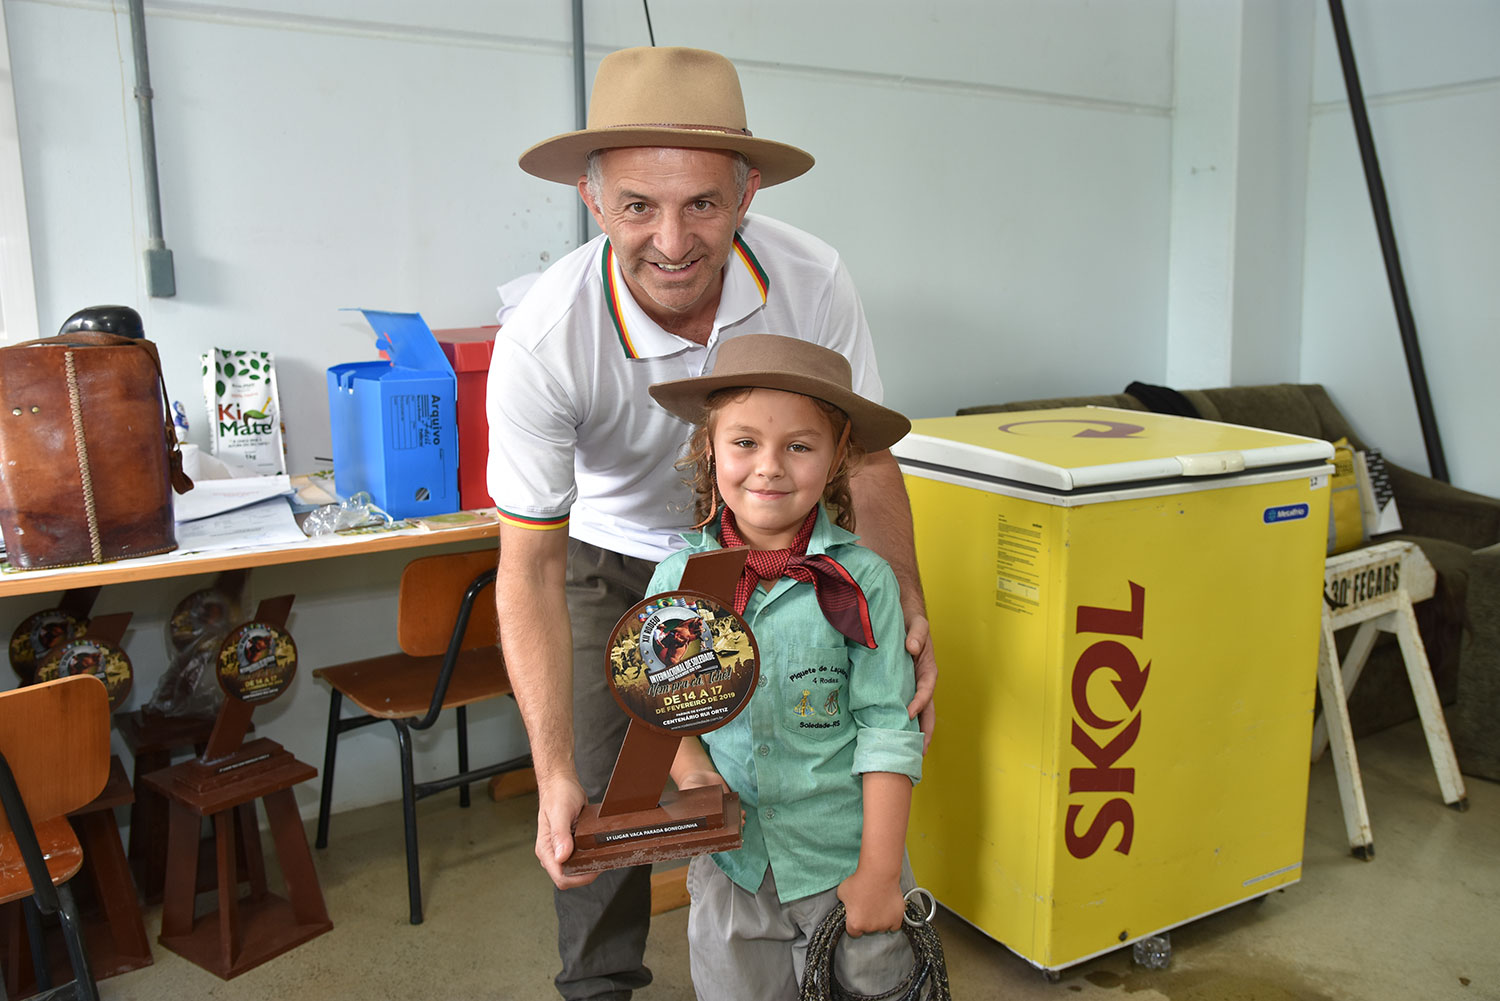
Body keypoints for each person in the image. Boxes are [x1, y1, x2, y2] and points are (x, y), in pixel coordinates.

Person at [487, 46, 936, 1000]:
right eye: (639, 206)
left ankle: (826, 920)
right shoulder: (543, 336)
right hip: (614, 554)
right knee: (608, 800)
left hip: (789, 548)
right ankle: (600, 983)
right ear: (591, 199)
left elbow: (866, 456)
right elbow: (527, 567)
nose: (674, 239)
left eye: (702, 203)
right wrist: (553, 766)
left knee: (812, 734)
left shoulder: (815, 279)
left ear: (748, 193)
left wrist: (906, 601)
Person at [645, 335, 923, 998]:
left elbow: (889, 726)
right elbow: (665, 717)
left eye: (799, 445)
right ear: (709, 450)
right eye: (745, 442)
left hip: (846, 860)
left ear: (836, 460)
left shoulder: (864, 582)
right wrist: (693, 775)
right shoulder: (678, 581)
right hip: (733, 870)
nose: (768, 467)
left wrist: (881, 873)